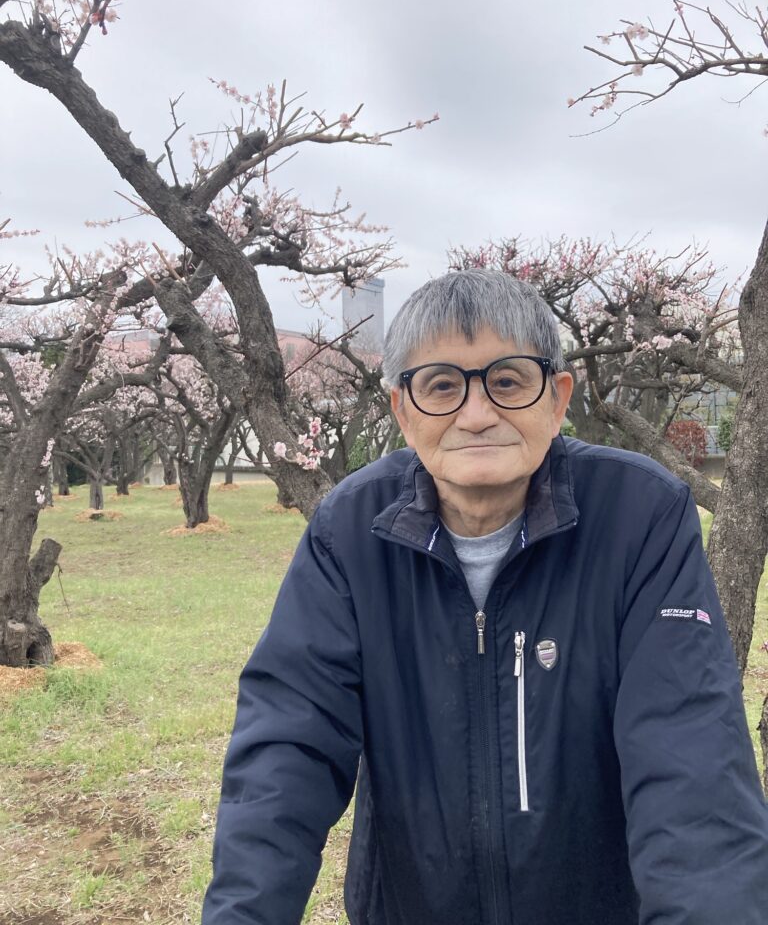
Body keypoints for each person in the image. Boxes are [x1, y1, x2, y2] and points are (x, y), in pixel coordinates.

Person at [202, 269, 768, 925]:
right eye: (441, 385)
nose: (476, 415)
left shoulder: (640, 515)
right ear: (402, 410)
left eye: (508, 380)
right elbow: (286, 749)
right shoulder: (350, 530)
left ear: (556, 399)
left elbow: (690, 760)